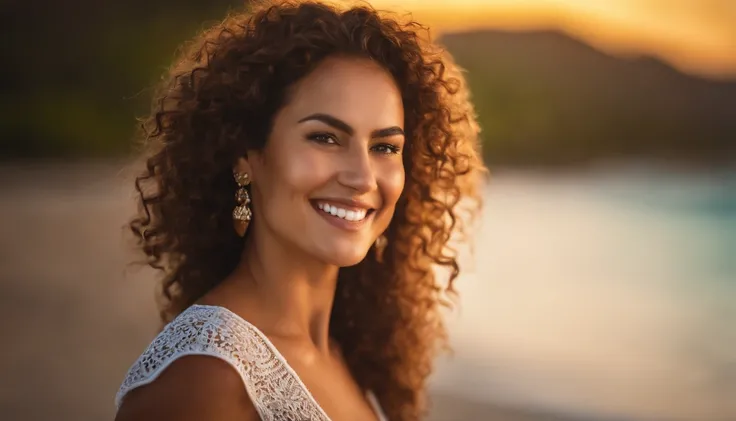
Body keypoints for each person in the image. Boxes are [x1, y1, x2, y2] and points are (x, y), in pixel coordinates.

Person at [114, 1, 483, 420]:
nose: (363, 178)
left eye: (384, 147)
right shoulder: (203, 379)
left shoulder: (355, 354)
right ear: (245, 155)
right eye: (325, 138)